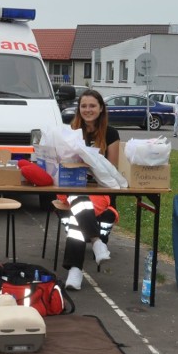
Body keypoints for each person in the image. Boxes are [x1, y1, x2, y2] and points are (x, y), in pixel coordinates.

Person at [61, 89, 120, 291]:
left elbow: (111, 170)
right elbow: (64, 162)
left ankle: (75, 270)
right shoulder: (71, 130)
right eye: (84, 106)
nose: (88, 110)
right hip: (71, 185)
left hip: (99, 189)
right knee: (79, 198)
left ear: (101, 108)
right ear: (79, 109)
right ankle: (96, 241)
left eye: (92, 105)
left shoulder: (111, 133)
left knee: (79, 211)